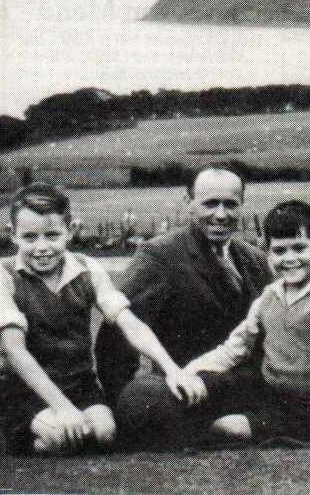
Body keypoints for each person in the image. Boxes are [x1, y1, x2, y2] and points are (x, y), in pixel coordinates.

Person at [0, 183, 203, 455]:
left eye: (52, 235)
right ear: (14, 236)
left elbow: (130, 322)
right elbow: (13, 349)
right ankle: (20, 435)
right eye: (30, 237)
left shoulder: (87, 268)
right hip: (23, 390)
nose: (42, 247)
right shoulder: (3, 275)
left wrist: (172, 369)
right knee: (62, 438)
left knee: (104, 434)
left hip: (79, 384)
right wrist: (63, 408)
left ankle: (54, 429)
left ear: (69, 232)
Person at [94, 164, 272, 447]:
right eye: (210, 204)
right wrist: (124, 401)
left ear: (242, 206)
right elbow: (116, 336)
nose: (221, 215)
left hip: (245, 392)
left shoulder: (256, 259)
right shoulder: (160, 255)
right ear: (188, 203)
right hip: (185, 393)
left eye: (230, 204)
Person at [184, 201, 310, 447]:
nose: (290, 259)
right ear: (267, 253)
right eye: (279, 251)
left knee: (227, 427)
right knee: (199, 392)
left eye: (299, 248)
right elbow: (234, 349)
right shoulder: (269, 295)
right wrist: (184, 374)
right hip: (267, 392)